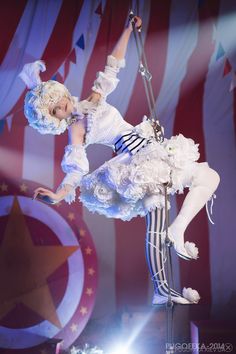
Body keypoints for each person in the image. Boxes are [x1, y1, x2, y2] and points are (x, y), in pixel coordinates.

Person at [19, 16, 220, 305]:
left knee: (209, 177)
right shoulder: (77, 128)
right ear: (54, 119)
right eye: (55, 110)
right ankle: (162, 288)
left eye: (57, 100)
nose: (61, 106)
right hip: (137, 163)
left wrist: (127, 29)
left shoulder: (92, 101)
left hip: (153, 148)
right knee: (156, 216)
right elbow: (76, 168)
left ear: (60, 92)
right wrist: (59, 194)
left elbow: (112, 65)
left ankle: (179, 231)